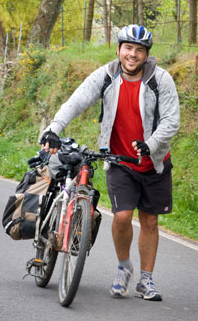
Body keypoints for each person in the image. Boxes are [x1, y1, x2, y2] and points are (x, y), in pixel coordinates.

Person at [40, 25, 179, 301]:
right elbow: (77, 100)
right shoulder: (106, 75)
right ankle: (123, 266)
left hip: (155, 162)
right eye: (128, 48)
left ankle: (146, 281)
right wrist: (54, 126)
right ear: (118, 50)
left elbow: (171, 121)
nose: (133, 54)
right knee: (123, 216)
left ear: (146, 55)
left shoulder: (160, 79)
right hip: (119, 160)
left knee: (150, 220)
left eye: (139, 50)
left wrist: (149, 145)